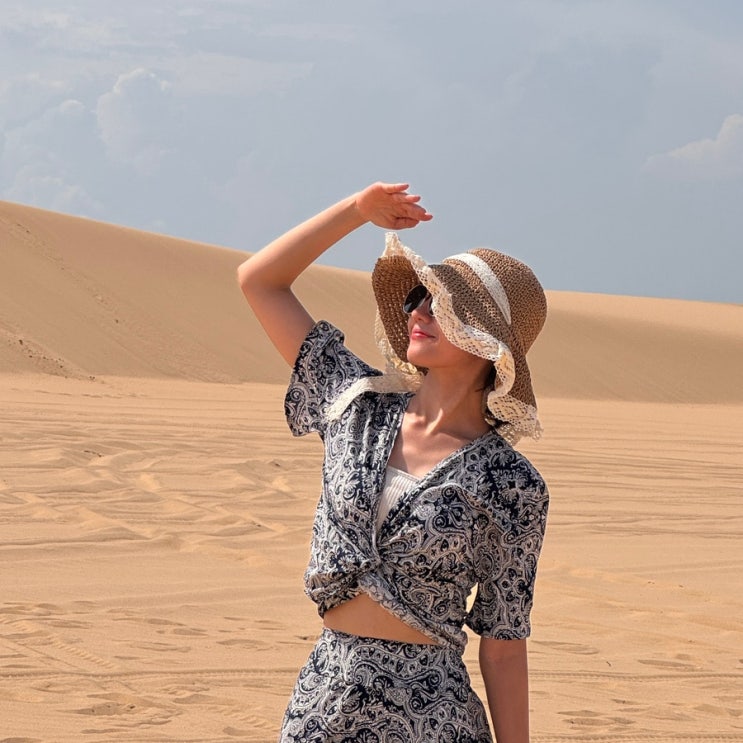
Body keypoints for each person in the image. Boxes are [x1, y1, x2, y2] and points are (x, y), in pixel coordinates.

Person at [237, 182, 549, 743]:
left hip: (432, 717)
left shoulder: (512, 483)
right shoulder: (354, 405)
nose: (419, 310)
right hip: (325, 700)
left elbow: (503, 645)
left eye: (442, 303)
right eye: (418, 296)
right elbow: (259, 280)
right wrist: (357, 211)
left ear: (486, 338)